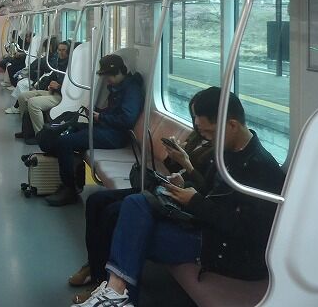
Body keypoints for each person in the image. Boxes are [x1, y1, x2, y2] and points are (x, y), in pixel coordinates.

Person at [75, 87, 286, 307]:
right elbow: (212, 192)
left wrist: (194, 201)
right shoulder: (226, 152)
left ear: (232, 125)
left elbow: (249, 232)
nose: (207, 139)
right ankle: (117, 293)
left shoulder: (263, 170)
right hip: (204, 227)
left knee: (130, 231)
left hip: (225, 249)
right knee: (135, 204)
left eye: (210, 133)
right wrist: (186, 187)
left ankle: (117, 294)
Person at [68, 98, 214, 304]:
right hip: (165, 188)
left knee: (113, 213)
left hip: (179, 199)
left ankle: (107, 282)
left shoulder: (219, 151)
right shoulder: (196, 138)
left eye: (199, 117)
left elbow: (206, 190)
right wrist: (174, 156)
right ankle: (94, 266)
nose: (197, 123)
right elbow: (174, 168)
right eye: (194, 117)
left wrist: (187, 164)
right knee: (96, 201)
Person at [41, 54, 143, 207]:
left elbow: (127, 120)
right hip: (108, 128)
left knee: (65, 142)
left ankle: (70, 189)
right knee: (70, 128)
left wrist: (100, 117)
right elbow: (115, 113)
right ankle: (74, 177)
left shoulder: (131, 90)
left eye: (108, 76)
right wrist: (98, 113)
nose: (107, 80)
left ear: (117, 72)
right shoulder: (120, 87)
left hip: (116, 136)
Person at [11, 42, 70, 139]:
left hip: (62, 96)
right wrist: (44, 86)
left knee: (33, 102)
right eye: (59, 50)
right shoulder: (59, 63)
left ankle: (41, 136)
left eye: (64, 50)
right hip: (53, 92)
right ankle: (27, 130)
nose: (61, 52)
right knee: (22, 97)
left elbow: (71, 88)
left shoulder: (70, 67)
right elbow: (51, 77)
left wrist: (58, 87)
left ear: (68, 51)